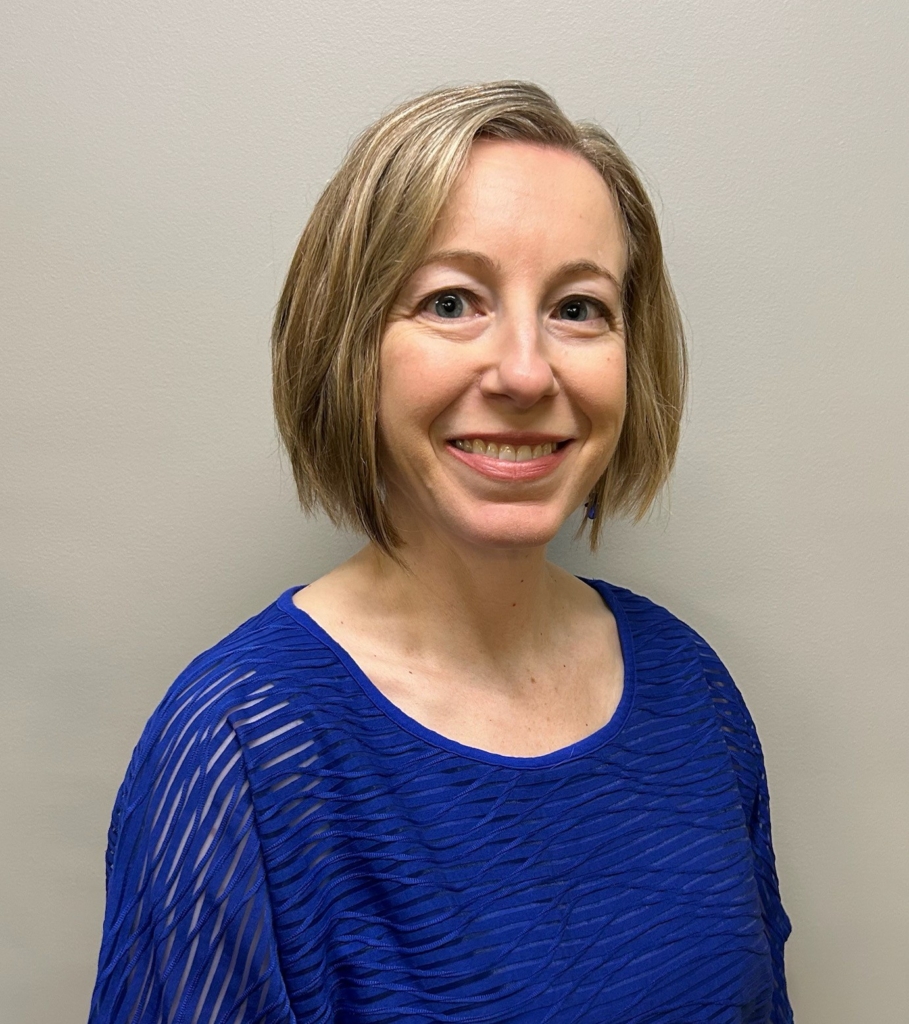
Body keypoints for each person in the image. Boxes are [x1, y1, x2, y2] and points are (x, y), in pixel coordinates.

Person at [89, 81, 792, 1023]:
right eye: (452, 301)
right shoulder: (239, 751)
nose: (524, 372)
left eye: (578, 309)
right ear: (348, 347)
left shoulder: (690, 690)